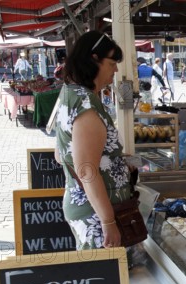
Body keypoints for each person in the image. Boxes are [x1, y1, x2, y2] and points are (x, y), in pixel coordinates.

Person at [53, 31, 131, 249]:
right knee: (107, 277)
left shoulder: (71, 94)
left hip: (89, 208)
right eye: (112, 63)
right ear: (94, 59)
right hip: (95, 216)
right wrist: (108, 221)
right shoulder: (86, 105)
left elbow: (60, 155)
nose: (116, 69)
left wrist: (111, 161)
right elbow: (86, 170)